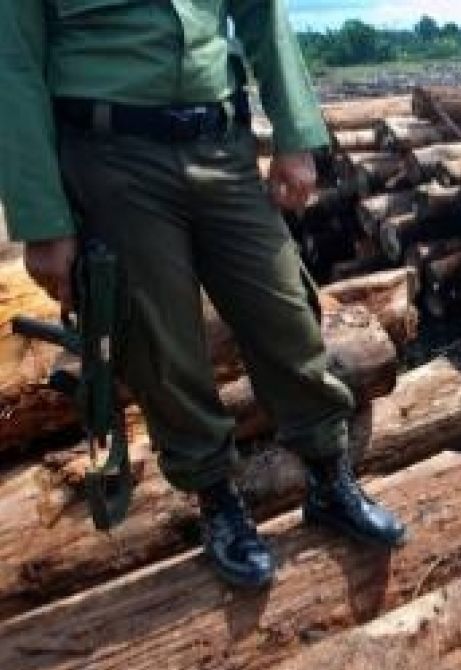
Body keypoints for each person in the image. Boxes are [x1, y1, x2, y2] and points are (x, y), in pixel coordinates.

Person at [0, 1, 407, 588]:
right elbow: (14, 66)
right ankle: (218, 501)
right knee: (161, 346)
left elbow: (262, 14)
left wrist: (295, 137)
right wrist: (43, 220)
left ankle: (329, 477)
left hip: (222, 145)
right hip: (111, 159)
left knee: (285, 313)